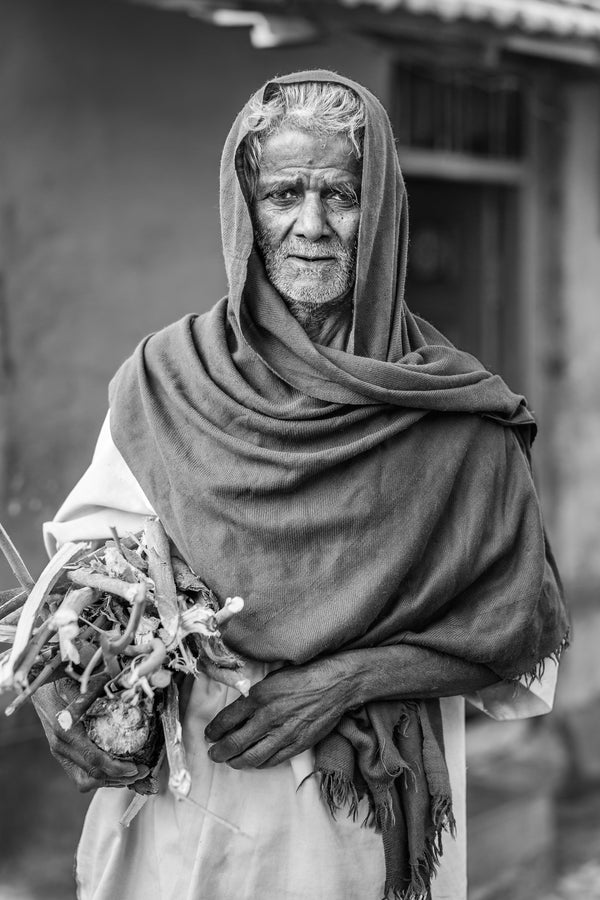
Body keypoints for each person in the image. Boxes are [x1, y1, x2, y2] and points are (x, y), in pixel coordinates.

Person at [34, 71, 568, 900]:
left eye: (341, 195)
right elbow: (88, 581)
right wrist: (63, 694)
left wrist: (352, 678)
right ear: (245, 208)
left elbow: (519, 646)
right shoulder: (170, 382)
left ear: (382, 210)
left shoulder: (459, 421)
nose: (311, 226)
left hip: (357, 844)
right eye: (284, 192)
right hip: (188, 827)